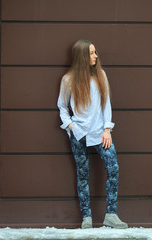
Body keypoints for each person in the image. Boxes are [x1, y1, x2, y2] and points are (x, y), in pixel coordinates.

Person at [57, 39, 128, 229]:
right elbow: (62, 107)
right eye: (91, 53)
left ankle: (111, 214)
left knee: (113, 169)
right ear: (82, 56)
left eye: (95, 52)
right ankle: (86, 217)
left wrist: (107, 129)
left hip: (100, 132)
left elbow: (106, 104)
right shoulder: (68, 80)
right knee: (83, 174)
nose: (96, 56)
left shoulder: (100, 75)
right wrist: (70, 126)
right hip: (78, 134)